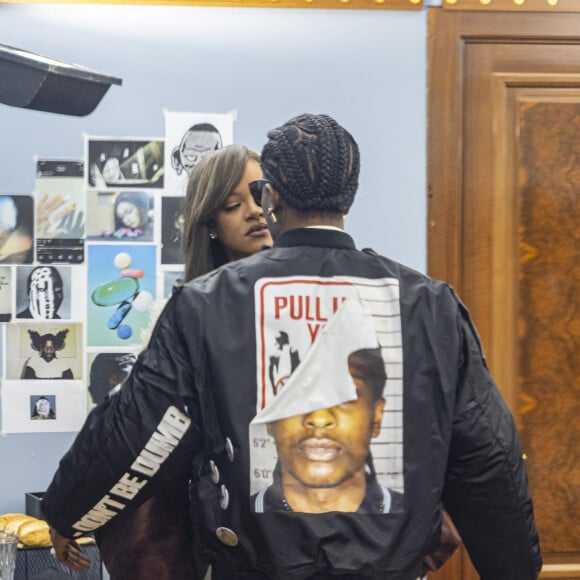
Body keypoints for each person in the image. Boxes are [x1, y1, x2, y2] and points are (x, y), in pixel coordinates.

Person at [43, 114, 541, 580]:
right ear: (350, 196)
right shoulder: (430, 304)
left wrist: (68, 510)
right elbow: (487, 453)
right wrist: (513, 566)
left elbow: (142, 429)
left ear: (270, 195)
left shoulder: (205, 303)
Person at [87, 144, 273, 580]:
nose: (255, 212)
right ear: (210, 223)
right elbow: (145, 437)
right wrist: (73, 511)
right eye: (233, 204)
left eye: (261, 194)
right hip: (226, 534)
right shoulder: (181, 319)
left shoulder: (316, 298)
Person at [253, 347, 403, 514]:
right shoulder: (236, 521)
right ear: (269, 416)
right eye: (295, 393)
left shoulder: (416, 521)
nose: (319, 418)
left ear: (376, 416)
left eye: (345, 396)